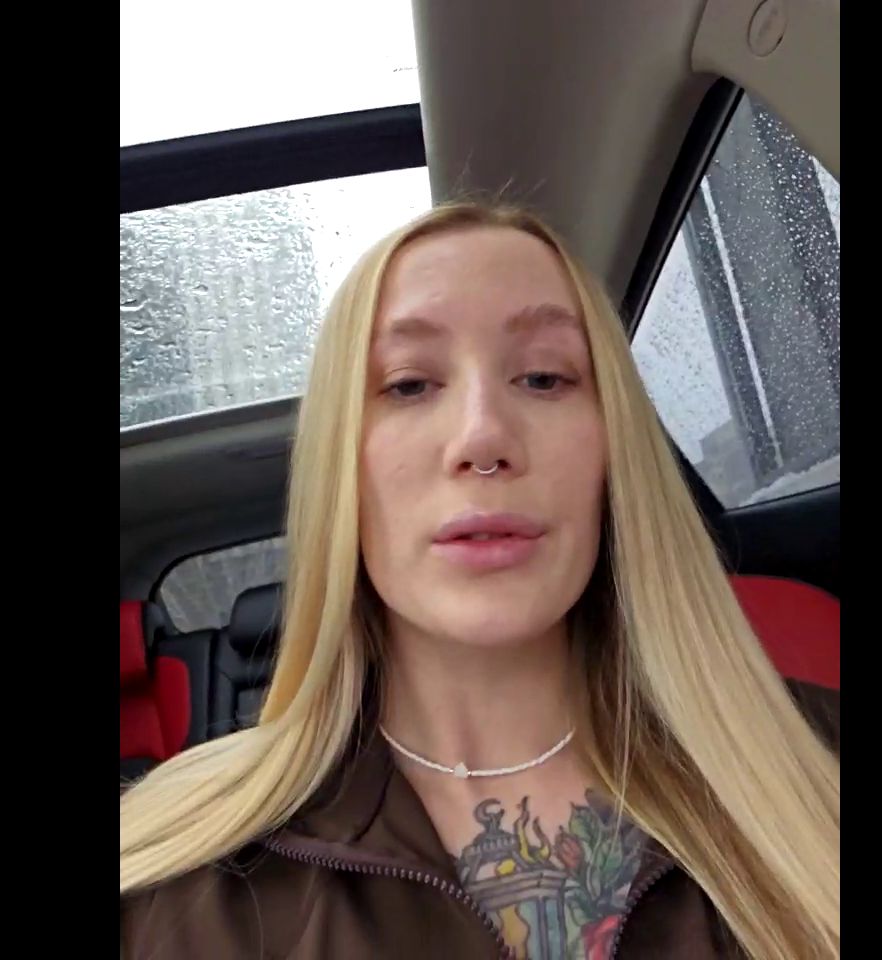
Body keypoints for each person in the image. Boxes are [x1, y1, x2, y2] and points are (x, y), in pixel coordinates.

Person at [120, 202, 840, 960]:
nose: (482, 437)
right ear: (343, 468)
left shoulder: (816, 767)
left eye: (543, 377)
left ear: (612, 449)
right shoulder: (173, 890)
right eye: (408, 385)